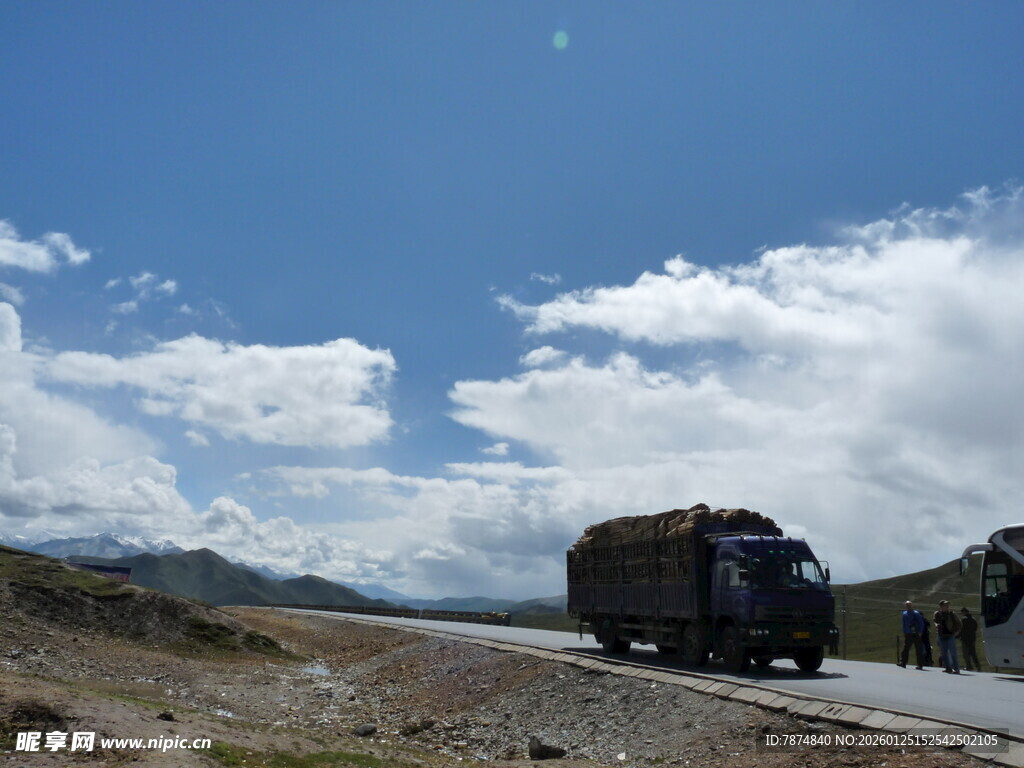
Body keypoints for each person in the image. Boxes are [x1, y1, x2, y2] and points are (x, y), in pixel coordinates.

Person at [934, 600, 962, 674]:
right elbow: (935, 621)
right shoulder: (937, 614)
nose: (947, 606)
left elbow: (959, 624)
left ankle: (956, 669)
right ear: (941, 606)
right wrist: (936, 625)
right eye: (945, 605)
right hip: (942, 636)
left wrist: (957, 632)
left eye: (947, 605)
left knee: (953, 653)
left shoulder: (952, 614)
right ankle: (948, 668)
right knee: (944, 653)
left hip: (950, 636)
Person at [898, 601, 926, 669]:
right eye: (907, 605)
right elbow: (904, 623)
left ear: (912, 605)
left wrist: (920, 632)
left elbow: (921, 623)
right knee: (906, 649)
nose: (908, 606)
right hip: (908, 634)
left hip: (916, 634)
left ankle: (920, 665)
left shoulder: (916, 613)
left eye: (909, 605)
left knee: (918, 649)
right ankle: (903, 662)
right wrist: (904, 631)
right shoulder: (904, 613)